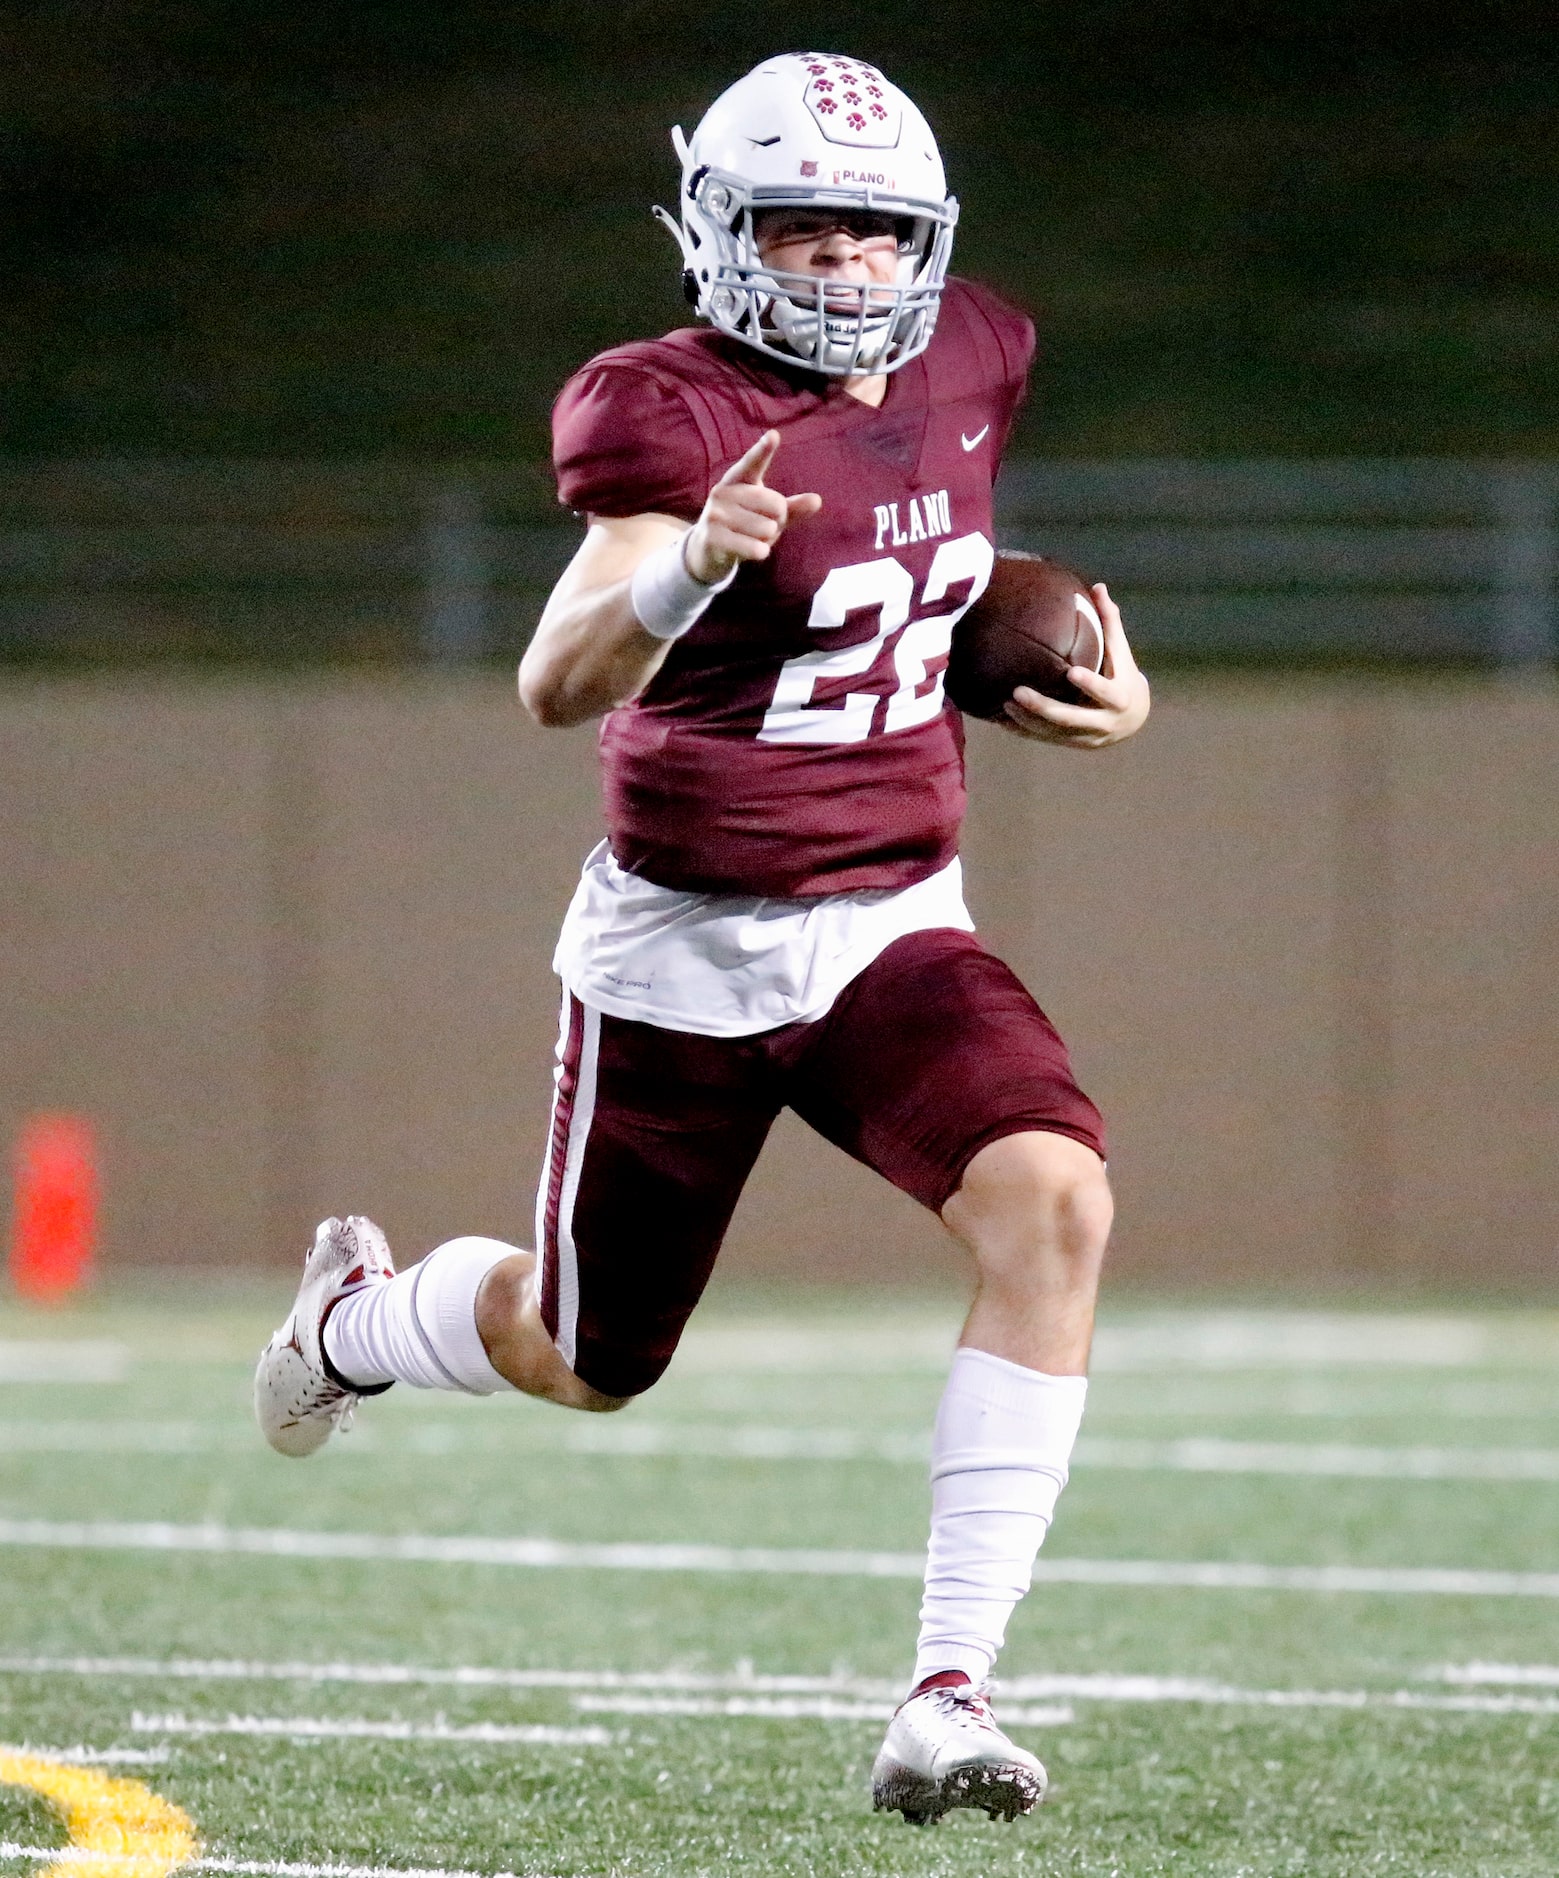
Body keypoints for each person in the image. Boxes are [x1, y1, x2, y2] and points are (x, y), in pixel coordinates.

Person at [254, 50, 1149, 1827]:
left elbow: (924, 540)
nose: (839, 268)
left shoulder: (980, 349)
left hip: (895, 916)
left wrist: (1086, 679)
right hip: (683, 949)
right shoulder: (660, 411)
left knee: (1058, 1196)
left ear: (928, 242)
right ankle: (365, 1315)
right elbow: (551, 679)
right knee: (589, 1359)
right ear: (720, 236)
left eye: (870, 234)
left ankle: (947, 1689)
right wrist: (682, 572)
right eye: (801, 233)